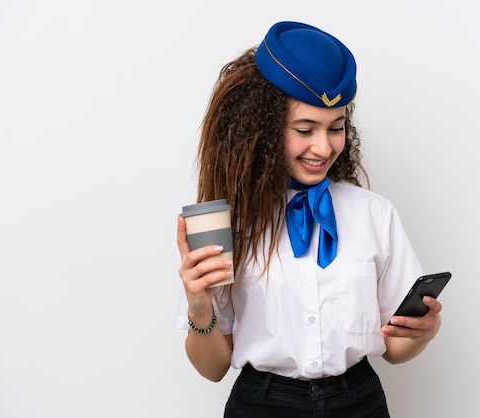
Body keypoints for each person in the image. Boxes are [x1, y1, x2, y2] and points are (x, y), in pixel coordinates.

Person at [175, 21, 443, 418]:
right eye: (305, 129)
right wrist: (199, 307)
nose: (324, 146)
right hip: (261, 406)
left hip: (360, 403)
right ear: (262, 129)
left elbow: (395, 349)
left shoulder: (374, 213)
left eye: (336, 128)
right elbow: (212, 368)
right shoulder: (224, 223)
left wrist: (423, 333)